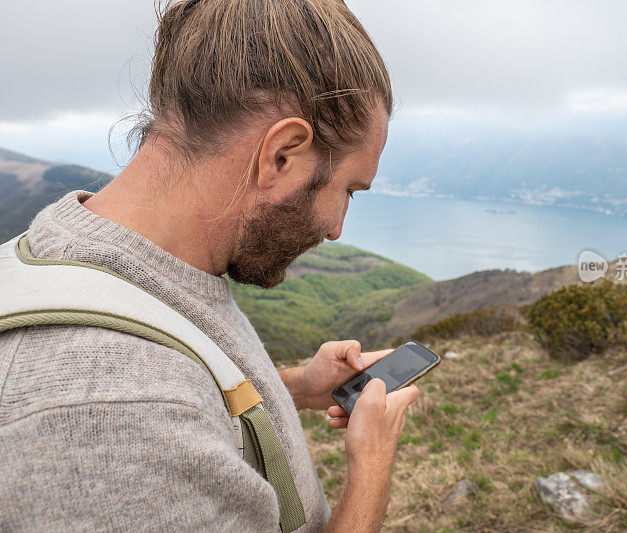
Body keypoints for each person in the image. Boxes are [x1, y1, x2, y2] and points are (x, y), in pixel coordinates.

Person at [0, 0, 419, 531]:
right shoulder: (114, 415)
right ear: (282, 154)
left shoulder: (92, 258)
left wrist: (288, 387)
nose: (337, 227)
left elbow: (184, 402)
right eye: (348, 191)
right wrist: (372, 466)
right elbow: (147, 408)